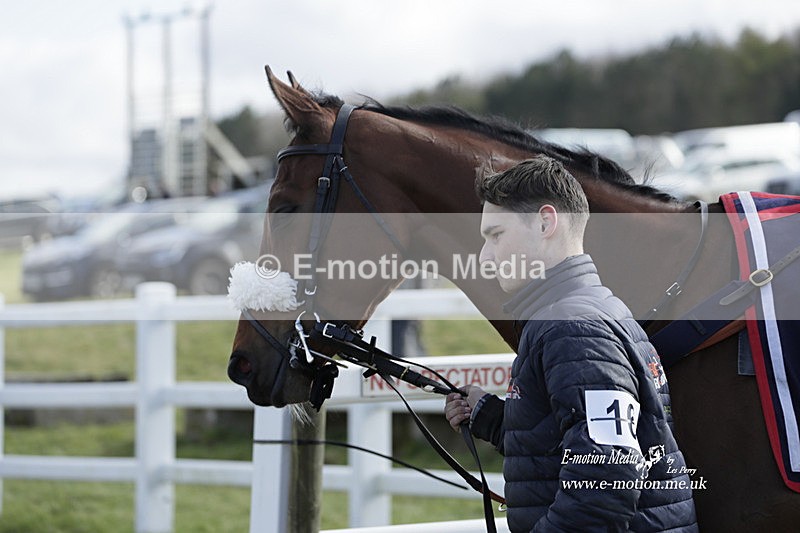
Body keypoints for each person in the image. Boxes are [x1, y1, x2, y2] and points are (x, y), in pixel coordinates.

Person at [444, 156, 697, 532]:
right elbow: (580, 441)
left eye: (495, 235)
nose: (485, 256)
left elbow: (605, 481)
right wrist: (494, 419)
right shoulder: (590, 308)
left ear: (545, 222)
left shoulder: (571, 327)